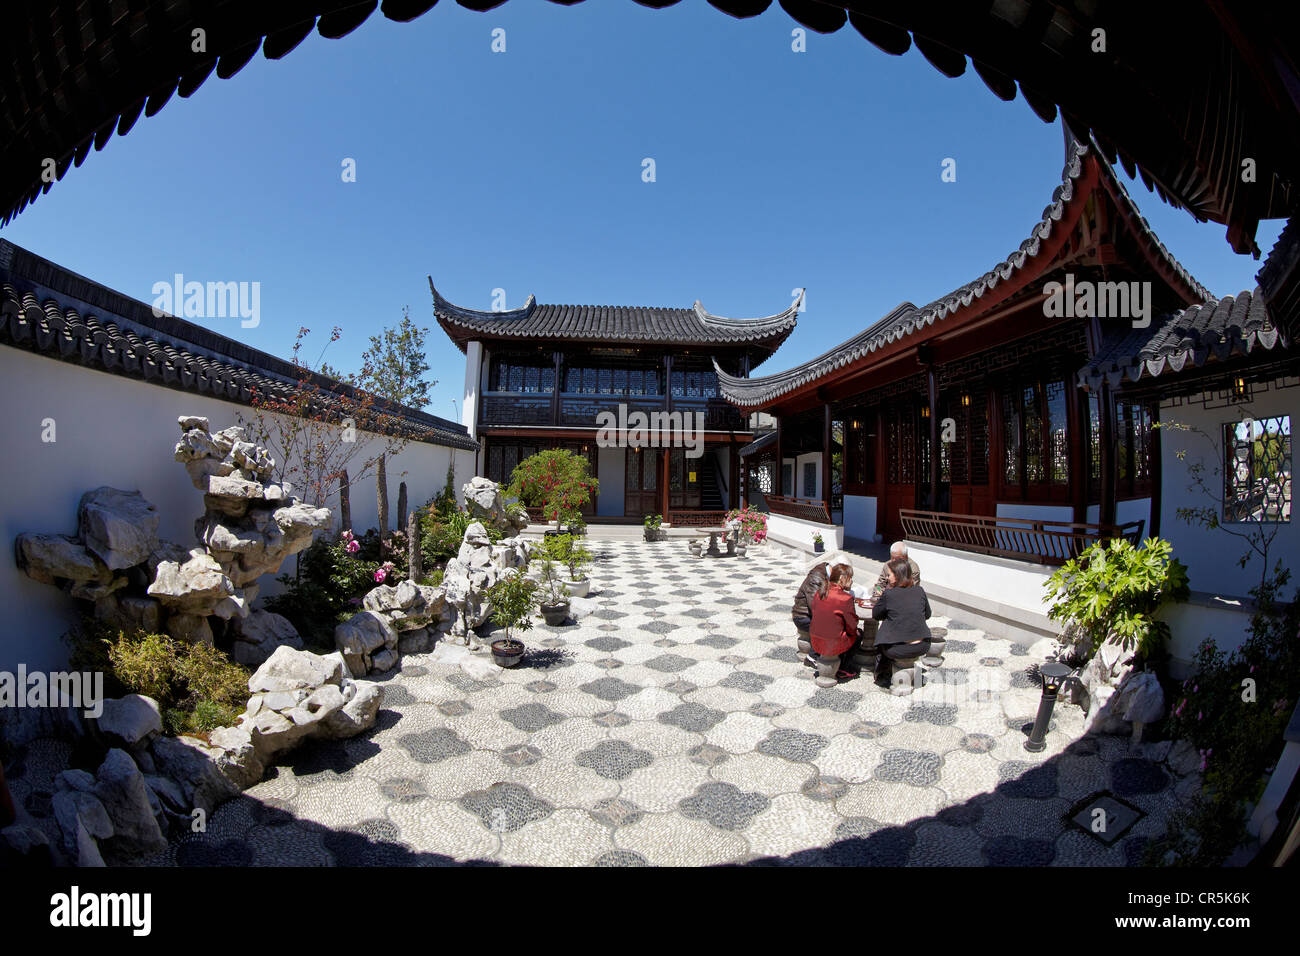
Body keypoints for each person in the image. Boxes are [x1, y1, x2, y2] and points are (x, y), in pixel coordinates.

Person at [870, 557, 932, 687]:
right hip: (923, 645)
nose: (887, 577)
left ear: (897, 575)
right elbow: (927, 614)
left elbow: (876, 614)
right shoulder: (919, 591)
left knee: (884, 634)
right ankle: (910, 677)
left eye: (889, 574)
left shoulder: (889, 594)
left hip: (897, 649)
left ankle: (882, 674)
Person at [810, 563, 860, 680]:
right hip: (832, 643)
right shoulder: (845, 598)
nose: (851, 581)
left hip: (815, 639)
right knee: (858, 634)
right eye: (850, 578)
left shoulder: (820, 592)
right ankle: (844, 667)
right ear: (842, 578)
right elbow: (852, 626)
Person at [792, 560, 830, 668]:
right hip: (802, 616)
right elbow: (815, 605)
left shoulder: (825, 574)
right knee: (829, 628)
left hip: (807, 614)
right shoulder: (817, 578)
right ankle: (812, 657)